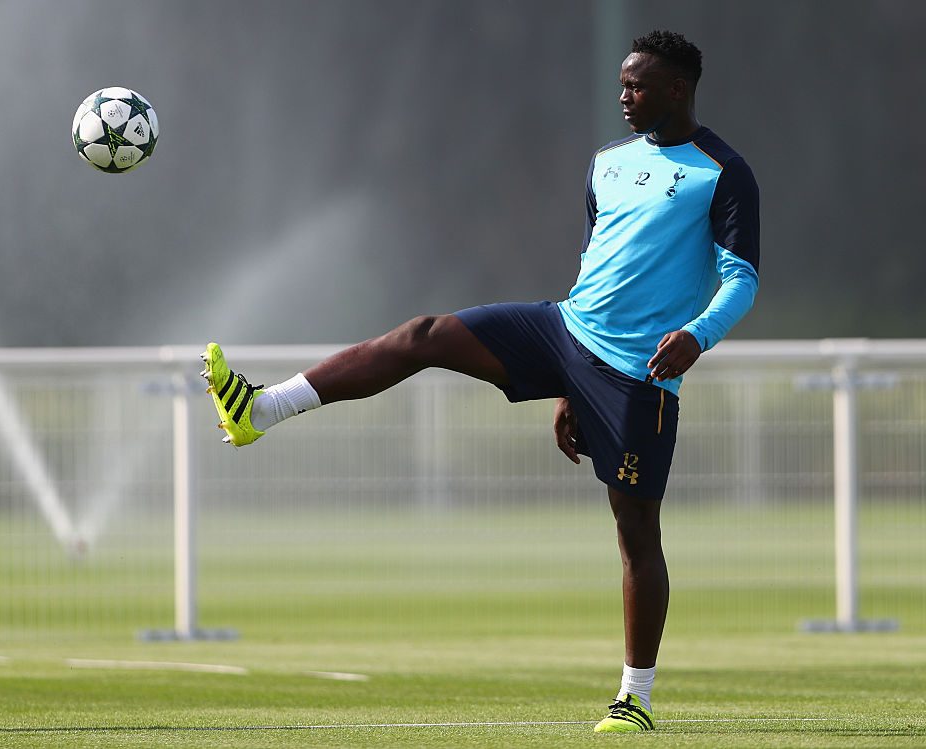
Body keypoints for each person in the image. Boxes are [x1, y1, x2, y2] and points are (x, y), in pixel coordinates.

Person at [201, 29, 759, 734]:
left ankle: (636, 697)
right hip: (563, 330)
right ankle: (262, 407)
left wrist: (696, 336)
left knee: (636, 535)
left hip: (636, 373)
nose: (624, 95)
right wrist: (563, 382)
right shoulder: (608, 164)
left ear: (677, 90)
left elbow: (741, 279)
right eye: (621, 83)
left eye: (637, 86)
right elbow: (596, 262)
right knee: (423, 335)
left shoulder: (722, 171)